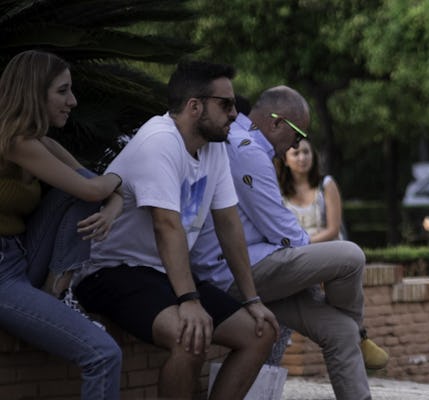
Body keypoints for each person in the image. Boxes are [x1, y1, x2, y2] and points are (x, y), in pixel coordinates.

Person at [72, 61, 279, 399]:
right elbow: (165, 225)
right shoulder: (160, 141)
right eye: (225, 105)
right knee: (190, 336)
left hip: (161, 273)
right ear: (194, 106)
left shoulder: (214, 147)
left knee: (260, 332)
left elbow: (229, 224)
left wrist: (252, 299)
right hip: (110, 272)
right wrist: (189, 300)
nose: (233, 114)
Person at [190, 85, 371, 400]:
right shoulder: (246, 149)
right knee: (350, 256)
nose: (298, 144)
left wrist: (310, 273)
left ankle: (354, 333)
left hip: (262, 271)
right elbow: (284, 231)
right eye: (298, 134)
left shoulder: (247, 147)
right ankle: (361, 331)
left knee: (340, 332)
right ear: (276, 123)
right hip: (233, 274)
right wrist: (314, 272)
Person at [0, 50, 123, 400]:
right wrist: (115, 181)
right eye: (63, 91)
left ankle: (57, 290)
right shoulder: (14, 142)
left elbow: (99, 188)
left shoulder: (43, 144)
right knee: (103, 353)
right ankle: (58, 294)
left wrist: (112, 205)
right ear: (34, 92)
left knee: (80, 191)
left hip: (20, 255)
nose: (73, 101)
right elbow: (95, 187)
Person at [276, 137, 389, 370]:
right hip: (294, 254)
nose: (302, 158)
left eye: (306, 152)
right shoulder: (277, 189)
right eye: (296, 153)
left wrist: (302, 244)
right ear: (285, 160)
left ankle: (358, 335)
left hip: (323, 248)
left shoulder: (326, 184)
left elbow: (333, 229)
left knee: (337, 296)